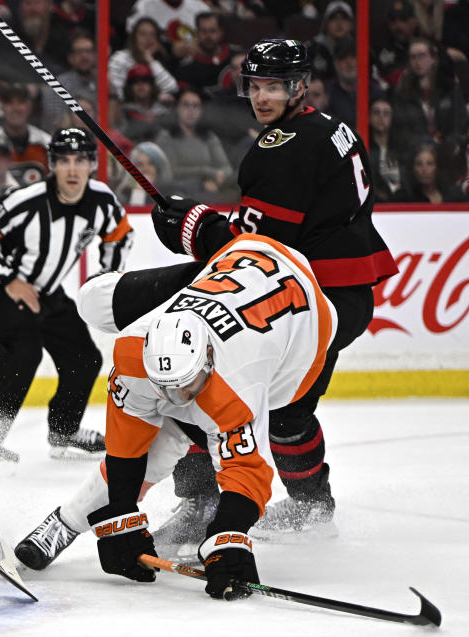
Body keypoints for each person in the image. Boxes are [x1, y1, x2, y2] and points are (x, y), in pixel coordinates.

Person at [143, 38, 398, 540]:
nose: (262, 97)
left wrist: (194, 228)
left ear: (300, 86)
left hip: (306, 301)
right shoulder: (334, 129)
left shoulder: (279, 149)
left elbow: (258, 254)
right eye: (255, 85)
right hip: (336, 296)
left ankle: (201, 504)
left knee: (207, 384)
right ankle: (310, 504)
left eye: (274, 86)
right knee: (286, 407)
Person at [15, 232, 337, 602]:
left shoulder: (238, 384)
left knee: (168, 445)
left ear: (209, 361)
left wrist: (229, 537)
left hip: (311, 324)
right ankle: (65, 523)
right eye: (164, 387)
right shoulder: (133, 354)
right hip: (243, 254)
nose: (173, 399)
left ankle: (68, 519)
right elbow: (125, 452)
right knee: (148, 440)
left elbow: (248, 474)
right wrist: (120, 515)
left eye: (185, 386)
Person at [0, 128, 133, 462]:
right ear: (52, 165)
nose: (72, 170)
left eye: (80, 161)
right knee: (23, 353)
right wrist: (9, 280)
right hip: (5, 287)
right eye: (64, 161)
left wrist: (105, 279)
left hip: (49, 292)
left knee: (85, 358)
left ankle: (64, 430)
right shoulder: (25, 200)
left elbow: (120, 234)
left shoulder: (101, 202)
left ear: (90, 166)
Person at [154, 87, 236, 204]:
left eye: (196, 106)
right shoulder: (166, 137)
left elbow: (226, 168)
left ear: (201, 110)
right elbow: (170, 171)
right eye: (186, 105)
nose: (191, 110)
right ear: (177, 108)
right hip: (177, 193)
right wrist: (206, 173)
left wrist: (216, 182)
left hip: (209, 192)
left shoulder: (209, 137)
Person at [0, 83, 50, 184]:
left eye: (21, 102)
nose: (15, 108)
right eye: (9, 103)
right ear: (2, 107)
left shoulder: (45, 142)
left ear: (30, 106)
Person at [108, 16, 178, 102]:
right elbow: (117, 93)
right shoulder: (120, 58)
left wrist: (150, 61)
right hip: (126, 109)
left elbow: (172, 88)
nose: (148, 39)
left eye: (152, 35)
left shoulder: (158, 60)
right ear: (134, 38)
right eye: (143, 34)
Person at [392, 140, 463, 202]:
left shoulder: (454, 196)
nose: (424, 169)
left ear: (437, 167)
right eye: (419, 164)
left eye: (430, 164)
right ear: (413, 169)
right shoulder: (403, 198)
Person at [368, 96, 405, 201]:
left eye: (386, 113)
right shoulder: (365, 148)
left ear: (392, 118)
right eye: (376, 112)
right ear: (369, 117)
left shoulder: (400, 148)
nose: (381, 117)